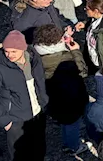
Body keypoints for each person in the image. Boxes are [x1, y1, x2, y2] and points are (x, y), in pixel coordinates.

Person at [0, 30, 49, 160]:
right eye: (6, 51)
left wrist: (44, 102)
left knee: (39, 149)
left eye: (13, 51)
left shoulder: (33, 59)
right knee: (19, 155)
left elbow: (40, 82)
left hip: (37, 114)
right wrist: (5, 121)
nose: (9, 55)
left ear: (23, 48)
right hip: (16, 120)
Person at [34, 22, 89, 155]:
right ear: (58, 41)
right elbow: (82, 71)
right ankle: (72, 147)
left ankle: (67, 138)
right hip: (70, 98)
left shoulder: (35, 55)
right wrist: (75, 51)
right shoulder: (66, 57)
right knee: (71, 122)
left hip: (51, 97)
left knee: (65, 120)